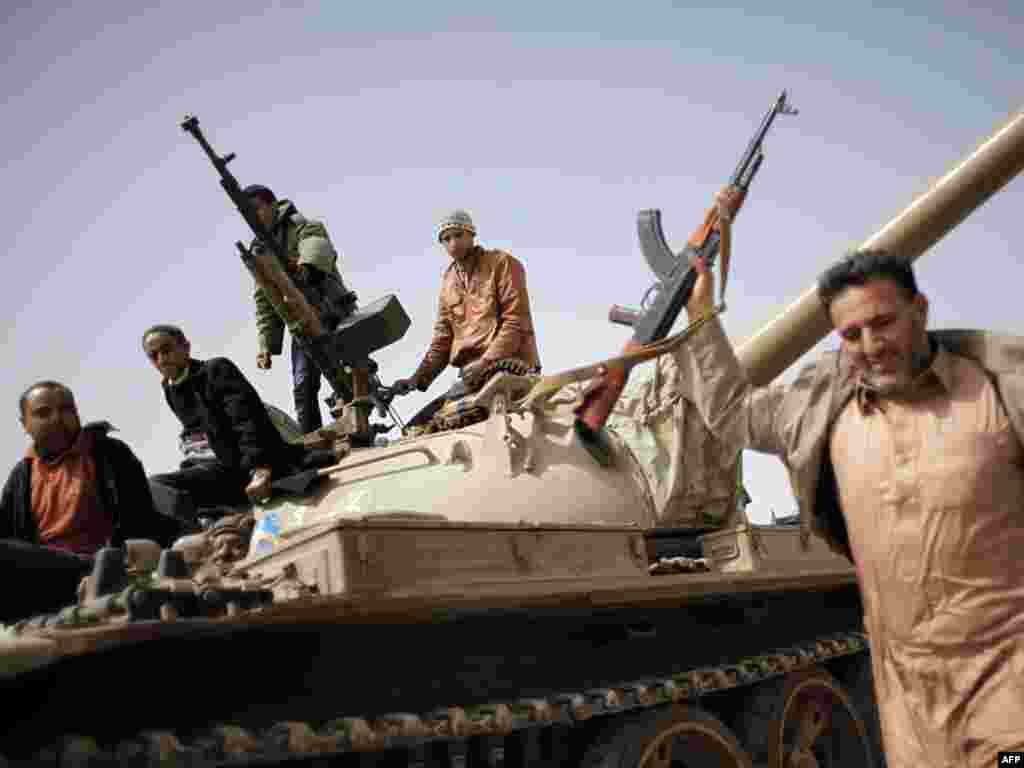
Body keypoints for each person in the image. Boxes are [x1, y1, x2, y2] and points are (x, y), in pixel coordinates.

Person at [665, 187, 1024, 767]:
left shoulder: (1000, 392)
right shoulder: (819, 410)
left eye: (884, 323)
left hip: (1010, 687)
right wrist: (701, 315)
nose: (871, 345)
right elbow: (732, 413)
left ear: (920, 310)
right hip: (911, 704)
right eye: (851, 335)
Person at [0, 381, 179, 623]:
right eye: (43, 413)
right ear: (25, 424)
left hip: (101, 566)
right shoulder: (21, 476)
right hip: (44, 573)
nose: (57, 418)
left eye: (66, 409)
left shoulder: (108, 454)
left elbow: (140, 518)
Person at [143, 325, 336, 528]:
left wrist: (260, 469)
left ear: (185, 347)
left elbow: (248, 421)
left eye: (166, 350)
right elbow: (198, 434)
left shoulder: (215, 370)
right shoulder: (171, 390)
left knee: (159, 483)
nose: (161, 360)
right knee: (154, 488)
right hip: (221, 470)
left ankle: (197, 531)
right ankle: (197, 533)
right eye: (153, 356)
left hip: (250, 465)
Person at [393, 209, 541, 399]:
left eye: (458, 235)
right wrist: (415, 379)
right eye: (446, 239)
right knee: (430, 417)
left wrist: (486, 362)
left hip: (513, 368)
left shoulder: (502, 263)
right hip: (473, 376)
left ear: (471, 235)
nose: (453, 243)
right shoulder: (448, 282)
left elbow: (516, 321)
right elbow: (443, 340)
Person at [245, 184, 357, 435]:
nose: (254, 216)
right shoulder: (259, 250)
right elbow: (265, 299)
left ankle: (357, 422)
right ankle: (311, 441)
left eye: (257, 208)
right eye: (248, 212)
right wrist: (265, 345)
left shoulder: (302, 226)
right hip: (301, 323)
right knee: (303, 385)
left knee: (351, 376)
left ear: (272, 205)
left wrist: (305, 267)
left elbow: (317, 246)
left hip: (331, 312)